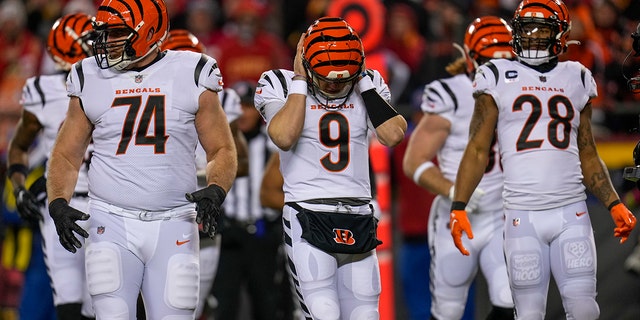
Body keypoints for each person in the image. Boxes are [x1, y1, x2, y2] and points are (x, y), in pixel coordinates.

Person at [44, 0, 238, 318]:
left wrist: (216, 188)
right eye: (106, 33)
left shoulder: (191, 70)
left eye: (118, 32)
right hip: (110, 220)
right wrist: (58, 202)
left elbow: (221, 149)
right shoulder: (88, 74)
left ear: (148, 31)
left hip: (175, 220)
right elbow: (66, 154)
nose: (108, 42)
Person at [449, 1, 637, 319]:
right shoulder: (495, 74)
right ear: (516, 31)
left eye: (543, 30)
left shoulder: (577, 76)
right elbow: (478, 148)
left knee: (584, 309)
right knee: (528, 312)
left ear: (560, 35)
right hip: (522, 214)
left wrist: (614, 203)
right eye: (528, 29)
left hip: (571, 211)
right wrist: (458, 205)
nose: (534, 36)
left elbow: (588, 152)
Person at [254, 16, 407, 319]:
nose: (334, 85)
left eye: (342, 78)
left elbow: (392, 135)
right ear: (305, 64)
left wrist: (362, 79)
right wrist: (299, 80)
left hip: (359, 214)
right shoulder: (279, 82)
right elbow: (283, 136)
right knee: (322, 313)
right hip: (306, 213)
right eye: (325, 78)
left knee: (366, 315)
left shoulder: (368, 82)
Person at [403, 15, 516, 320]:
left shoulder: (523, 90)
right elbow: (413, 161)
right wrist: (455, 191)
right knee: (449, 311)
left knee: (512, 301)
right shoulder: (450, 94)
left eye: (504, 59)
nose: (496, 69)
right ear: (469, 58)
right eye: (488, 60)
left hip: (500, 216)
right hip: (457, 218)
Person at [6, 12, 96, 320]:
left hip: (110, 203)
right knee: (69, 306)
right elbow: (18, 147)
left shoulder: (120, 86)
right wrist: (18, 187)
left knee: (106, 306)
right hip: (61, 203)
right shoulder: (42, 91)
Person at [160, 28, 248, 319]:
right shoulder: (150, 94)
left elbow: (241, 159)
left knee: (193, 301)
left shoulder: (222, 98)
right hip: (162, 200)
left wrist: (212, 177)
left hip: (203, 200)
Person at [211, 80, 293, 320]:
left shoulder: (274, 142)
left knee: (267, 305)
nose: (243, 114)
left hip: (263, 234)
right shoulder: (218, 143)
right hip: (228, 234)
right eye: (238, 108)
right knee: (224, 306)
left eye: (248, 107)